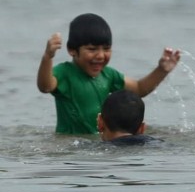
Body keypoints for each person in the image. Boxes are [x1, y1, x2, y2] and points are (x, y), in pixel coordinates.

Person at [36, 13, 181, 134]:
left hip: (99, 142)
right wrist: (48, 57)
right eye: (92, 49)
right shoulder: (65, 73)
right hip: (71, 142)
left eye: (106, 49)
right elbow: (46, 86)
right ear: (72, 50)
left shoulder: (108, 75)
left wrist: (161, 71)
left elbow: (139, 89)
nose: (100, 55)